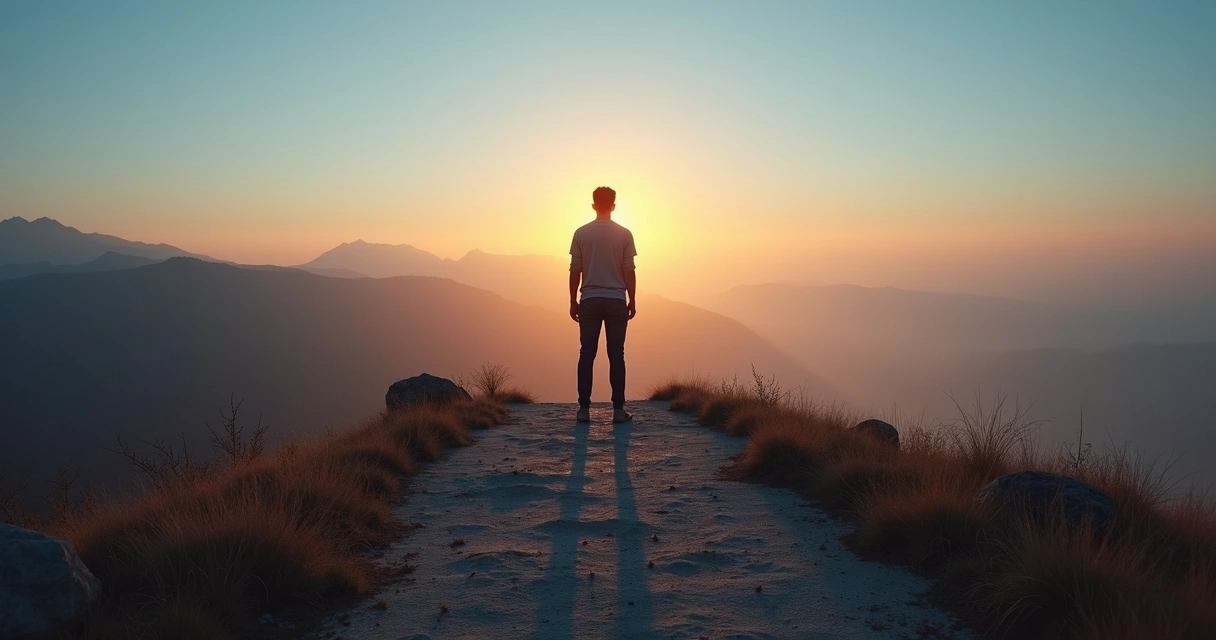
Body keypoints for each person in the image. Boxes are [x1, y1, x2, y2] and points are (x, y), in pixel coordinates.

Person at [569, 186, 637, 423]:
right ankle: (618, 411)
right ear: (614, 206)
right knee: (616, 355)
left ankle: (583, 410)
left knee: (586, 354)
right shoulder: (625, 234)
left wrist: (573, 301)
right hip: (617, 300)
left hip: (588, 299)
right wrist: (633, 299)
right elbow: (629, 270)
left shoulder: (581, 233)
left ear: (593, 205)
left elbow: (575, 270)